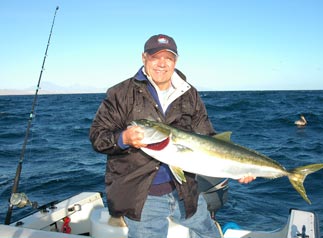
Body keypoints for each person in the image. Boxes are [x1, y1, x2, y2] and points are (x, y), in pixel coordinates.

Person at [89, 34, 255, 238]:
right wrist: (123, 139)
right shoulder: (121, 93)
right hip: (142, 198)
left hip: (186, 191)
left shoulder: (189, 93)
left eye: (168, 58)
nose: (162, 64)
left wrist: (241, 167)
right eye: (155, 57)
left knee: (209, 233)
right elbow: (98, 136)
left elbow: (208, 137)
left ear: (175, 61)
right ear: (143, 58)